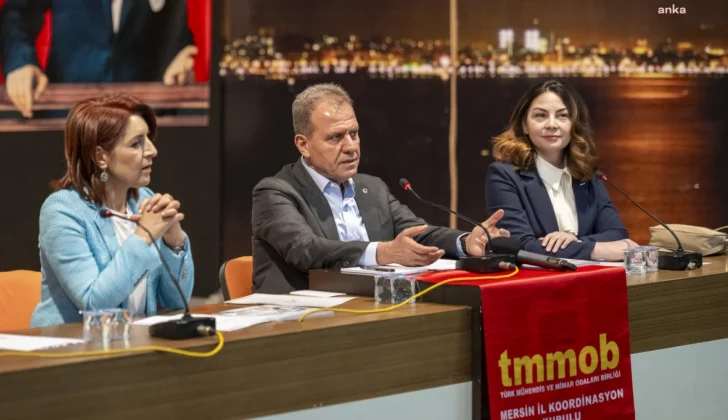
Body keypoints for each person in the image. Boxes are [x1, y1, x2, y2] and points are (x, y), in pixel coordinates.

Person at [251, 83, 510, 294]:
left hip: (371, 311)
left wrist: (466, 241)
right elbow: (306, 250)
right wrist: (383, 252)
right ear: (303, 144)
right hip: (300, 319)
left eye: (354, 133)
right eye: (336, 137)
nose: (351, 146)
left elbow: (417, 234)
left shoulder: (371, 188)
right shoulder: (275, 192)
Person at [30, 93, 194, 327]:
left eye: (148, 139)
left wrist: (174, 242)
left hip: (133, 343)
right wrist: (142, 237)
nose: (152, 150)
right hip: (71, 344)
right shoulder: (62, 211)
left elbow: (177, 302)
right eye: (136, 143)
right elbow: (94, 304)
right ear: (101, 157)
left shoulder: (145, 200)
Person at [485, 79, 636, 261]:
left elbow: (617, 233)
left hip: (588, 275)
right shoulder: (504, 175)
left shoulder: (588, 175)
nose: (552, 124)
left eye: (562, 116)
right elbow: (519, 246)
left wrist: (575, 241)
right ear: (525, 125)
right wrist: (596, 250)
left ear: (574, 124)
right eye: (540, 115)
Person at [0, 0, 198, 118]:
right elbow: (17, 13)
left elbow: (175, 27)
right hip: (67, 116)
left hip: (140, 119)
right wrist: (21, 63)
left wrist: (178, 57)